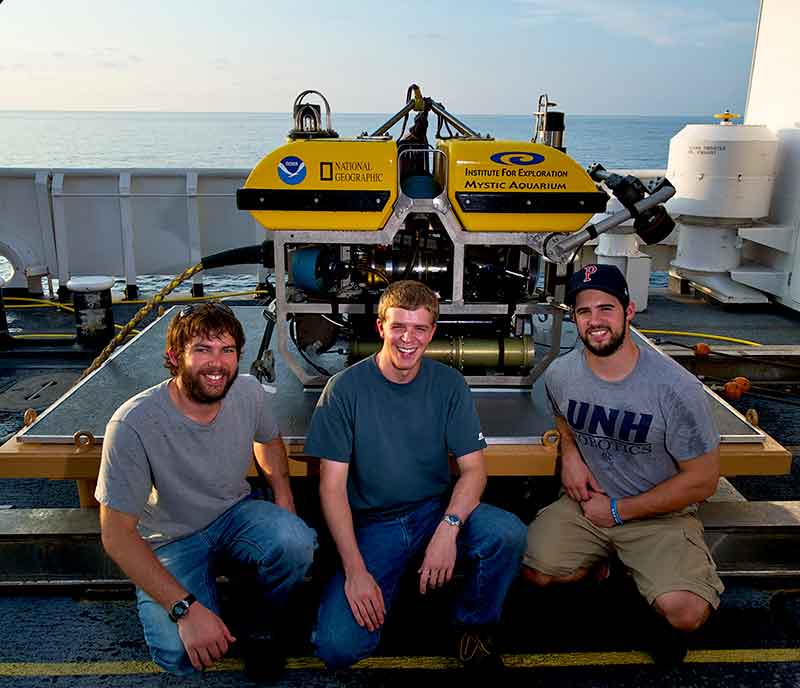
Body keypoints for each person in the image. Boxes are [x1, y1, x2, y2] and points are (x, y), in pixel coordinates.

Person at [304, 280, 527, 672]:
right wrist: (356, 572)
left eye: (419, 328)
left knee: (506, 533)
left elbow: (475, 471)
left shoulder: (449, 384)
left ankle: (473, 625)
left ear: (432, 332)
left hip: (434, 509)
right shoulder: (344, 390)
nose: (408, 339)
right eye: (398, 327)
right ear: (380, 328)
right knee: (337, 649)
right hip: (375, 524)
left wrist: (448, 528)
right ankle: (385, 583)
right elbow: (332, 488)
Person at [96, 302, 316, 680]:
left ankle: (260, 617)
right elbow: (116, 535)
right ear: (172, 356)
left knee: (296, 541)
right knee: (180, 657)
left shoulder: (247, 391)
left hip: (233, 513)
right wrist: (185, 610)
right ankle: (202, 599)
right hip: (170, 538)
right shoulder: (133, 423)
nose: (217, 364)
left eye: (226, 350)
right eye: (202, 350)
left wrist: (285, 501)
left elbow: (268, 440)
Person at [522, 263, 724, 664]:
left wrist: (616, 511)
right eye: (584, 312)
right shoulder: (562, 375)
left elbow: (703, 481)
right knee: (536, 570)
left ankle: (640, 580)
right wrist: (572, 456)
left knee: (686, 613)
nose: (595, 322)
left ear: (628, 311)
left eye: (605, 309)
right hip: (587, 505)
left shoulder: (674, 388)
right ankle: (606, 562)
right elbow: (561, 415)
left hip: (658, 514)